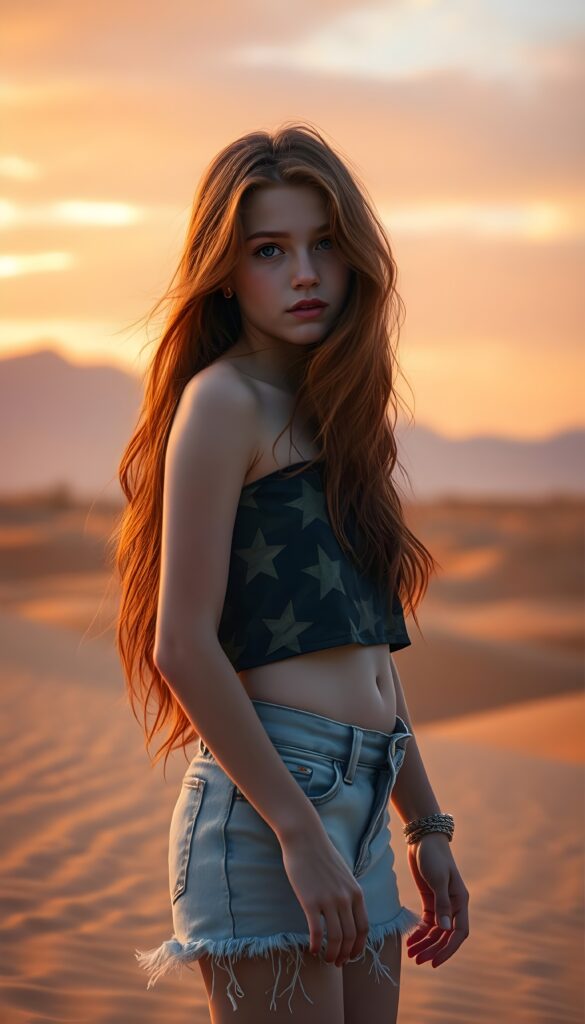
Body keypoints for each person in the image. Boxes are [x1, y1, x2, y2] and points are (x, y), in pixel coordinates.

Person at [114, 121, 470, 1023]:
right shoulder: (222, 402)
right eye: (269, 250)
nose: (304, 274)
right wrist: (299, 833)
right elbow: (182, 645)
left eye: (324, 245)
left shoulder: (339, 412)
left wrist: (424, 824)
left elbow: (368, 652)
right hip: (271, 811)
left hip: (364, 802)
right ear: (225, 272)